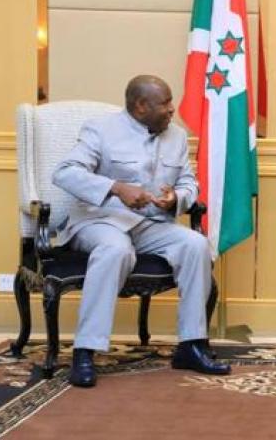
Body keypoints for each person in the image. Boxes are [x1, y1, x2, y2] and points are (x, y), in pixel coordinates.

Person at [53, 75, 230, 387]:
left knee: (195, 245)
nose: (172, 109)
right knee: (115, 249)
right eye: (165, 103)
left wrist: (176, 198)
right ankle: (85, 351)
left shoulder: (176, 136)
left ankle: (191, 345)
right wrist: (117, 188)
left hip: (150, 224)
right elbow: (65, 173)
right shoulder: (101, 130)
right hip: (101, 220)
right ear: (140, 106)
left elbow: (188, 182)